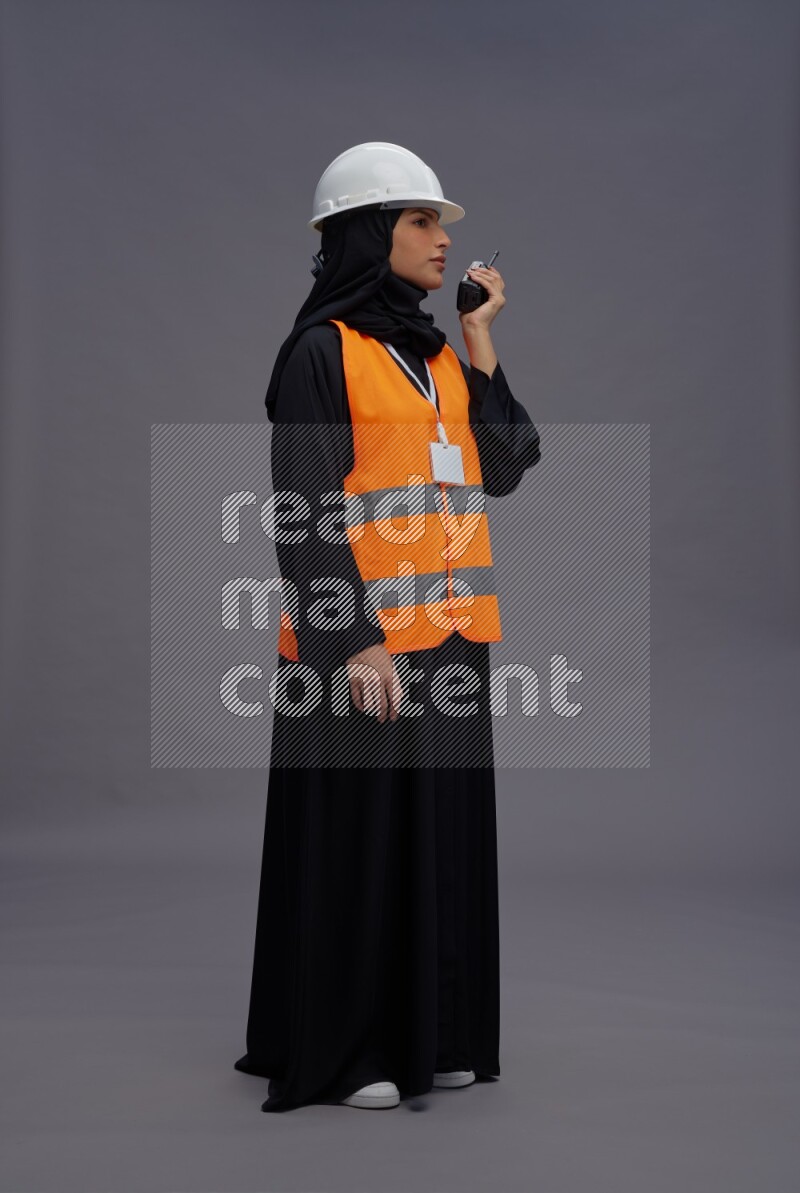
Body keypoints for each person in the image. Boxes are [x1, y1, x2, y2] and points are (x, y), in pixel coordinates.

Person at [233, 143, 541, 1111]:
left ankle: (437, 1032)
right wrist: (352, 638)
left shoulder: (439, 354)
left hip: (450, 639)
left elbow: (505, 462)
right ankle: (351, 1047)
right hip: (355, 646)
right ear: (369, 234)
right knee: (359, 842)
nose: (444, 239)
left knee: (439, 837)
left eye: (441, 223)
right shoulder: (318, 353)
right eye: (421, 221)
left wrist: (480, 338)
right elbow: (305, 505)